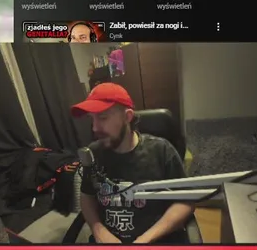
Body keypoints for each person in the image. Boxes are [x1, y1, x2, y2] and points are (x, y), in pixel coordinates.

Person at [73, 83, 194, 244]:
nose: (94, 128)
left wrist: (143, 241)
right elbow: (87, 196)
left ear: (127, 117)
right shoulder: (94, 152)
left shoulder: (161, 150)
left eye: (102, 117)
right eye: (92, 119)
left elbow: (185, 201)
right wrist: (98, 230)